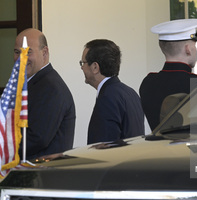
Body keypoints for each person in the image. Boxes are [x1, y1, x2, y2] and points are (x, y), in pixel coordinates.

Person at [14, 28, 76, 160]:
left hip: (42, 175)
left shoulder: (50, 88)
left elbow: (36, 138)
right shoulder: (36, 83)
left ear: (45, 52)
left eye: (28, 52)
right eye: (17, 52)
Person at [139, 19, 197, 131]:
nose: (196, 49)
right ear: (188, 49)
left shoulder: (148, 83)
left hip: (158, 147)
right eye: (194, 45)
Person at [80, 39, 145, 144]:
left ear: (95, 67)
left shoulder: (107, 97)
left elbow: (103, 147)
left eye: (83, 63)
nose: (82, 67)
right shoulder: (131, 93)